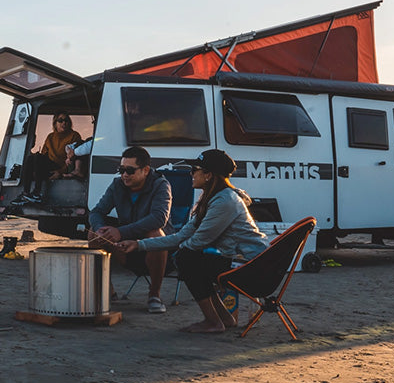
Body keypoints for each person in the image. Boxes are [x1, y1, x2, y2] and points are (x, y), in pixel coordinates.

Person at [117, 149, 269, 333]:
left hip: (255, 270)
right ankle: (224, 318)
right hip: (241, 262)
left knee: (187, 258)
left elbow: (196, 242)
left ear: (208, 175)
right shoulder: (211, 198)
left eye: (195, 169)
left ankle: (213, 321)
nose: (191, 173)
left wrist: (175, 253)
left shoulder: (225, 202)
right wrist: (138, 244)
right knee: (189, 257)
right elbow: (181, 236)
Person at [87, 146, 173, 313]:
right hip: (124, 246)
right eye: (121, 170)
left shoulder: (161, 185)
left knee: (155, 233)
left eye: (130, 170)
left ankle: (154, 295)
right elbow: (96, 211)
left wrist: (122, 232)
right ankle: (106, 290)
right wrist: (99, 229)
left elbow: (159, 218)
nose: (124, 174)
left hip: (157, 250)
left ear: (145, 170)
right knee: (93, 233)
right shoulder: (117, 185)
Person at [16, 112, 82, 203]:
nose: (64, 123)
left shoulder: (74, 136)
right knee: (32, 158)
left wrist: (60, 172)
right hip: (50, 166)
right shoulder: (50, 137)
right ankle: (25, 193)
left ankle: (37, 193)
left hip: (63, 168)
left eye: (66, 120)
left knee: (38, 158)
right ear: (55, 123)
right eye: (60, 120)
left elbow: (73, 159)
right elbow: (44, 154)